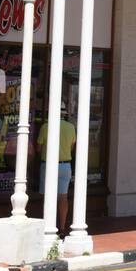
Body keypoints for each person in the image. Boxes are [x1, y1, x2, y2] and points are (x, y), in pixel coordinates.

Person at [37, 98, 77, 236]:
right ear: (64, 113)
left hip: (48, 165)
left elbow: (39, 148)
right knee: (63, 197)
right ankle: (62, 228)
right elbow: (71, 147)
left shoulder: (45, 127)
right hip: (65, 165)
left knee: (47, 197)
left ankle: (48, 226)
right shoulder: (71, 127)